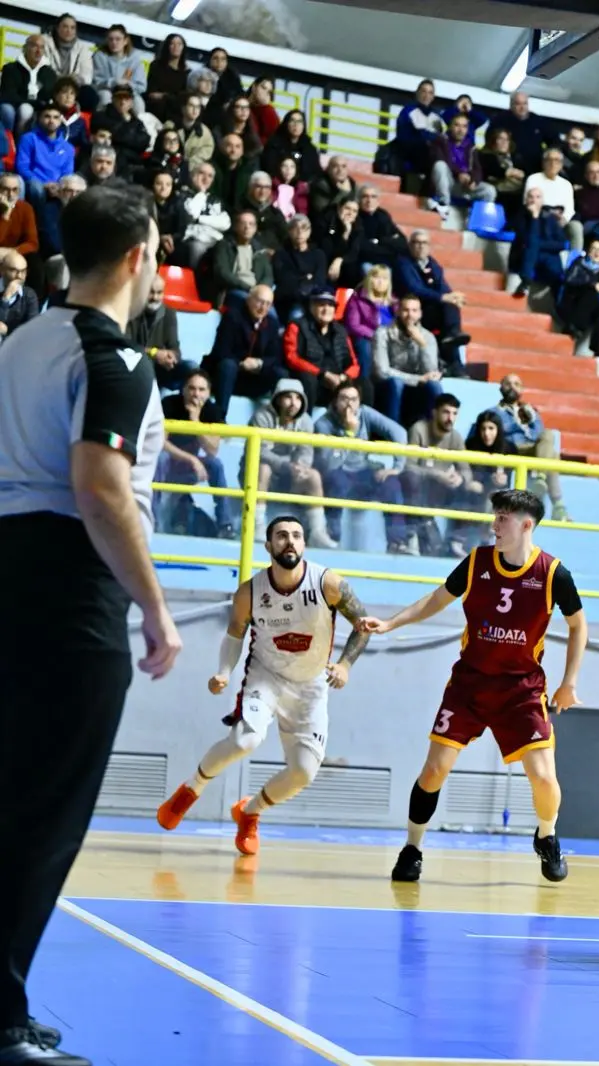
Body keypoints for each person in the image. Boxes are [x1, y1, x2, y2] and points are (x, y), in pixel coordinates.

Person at [0, 183, 181, 1066]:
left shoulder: (21, 340)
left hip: (8, 565)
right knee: (44, 812)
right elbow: (101, 488)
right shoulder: (113, 356)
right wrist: (154, 607)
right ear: (139, 255)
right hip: (68, 586)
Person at [362, 490, 587, 885]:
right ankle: (412, 848)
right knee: (435, 769)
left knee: (544, 779)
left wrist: (569, 682)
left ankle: (547, 836)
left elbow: (578, 625)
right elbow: (436, 599)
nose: (494, 525)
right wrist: (391, 623)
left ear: (526, 525)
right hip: (470, 683)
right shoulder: (477, 562)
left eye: (502, 518)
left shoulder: (553, 574)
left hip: (521, 690)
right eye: (495, 516)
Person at [154, 516, 372, 853]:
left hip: (311, 686)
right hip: (266, 676)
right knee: (245, 740)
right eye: (282, 536)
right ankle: (190, 790)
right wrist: (224, 671)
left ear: (304, 544)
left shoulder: (328, 583)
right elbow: (234, 634)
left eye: (297, 535)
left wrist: (345, 665)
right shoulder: (250, 592)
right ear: (268, 545)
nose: (290, 541)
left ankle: (250, 811)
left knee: (303, 772)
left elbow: (363, 623)